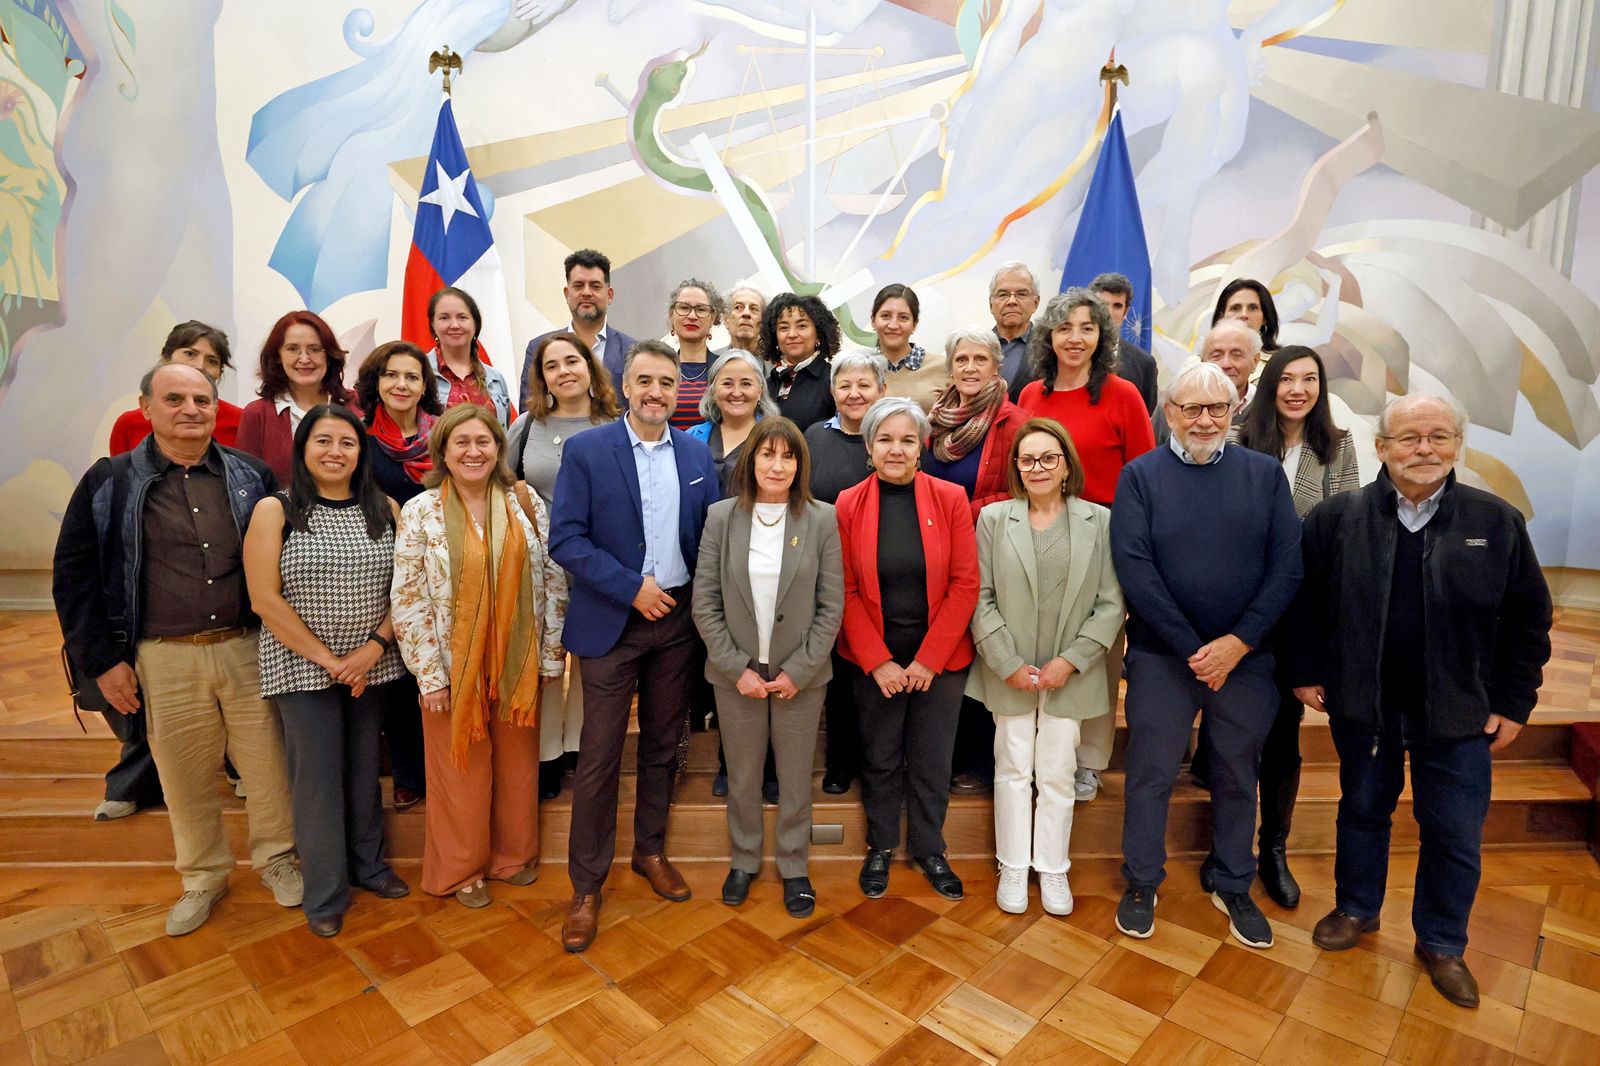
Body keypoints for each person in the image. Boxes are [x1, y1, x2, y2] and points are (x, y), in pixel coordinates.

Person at [1290, 394, 1552, 1009]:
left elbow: (1529, 620)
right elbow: (1304, 606)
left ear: (1457, 445)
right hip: (1365, 706)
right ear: (1382, 448)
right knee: (1361, 812)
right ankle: (1356, 909)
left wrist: (1514, 702)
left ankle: (1442, 942)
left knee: (1454, 832)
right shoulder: (1337, 518)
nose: (1424, 449)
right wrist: (1305, 673)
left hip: (1460, 712)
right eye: (1409, 438)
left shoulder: (1496, 521)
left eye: (1439, 436)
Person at [54, 362, 301, 937]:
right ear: (146, 407)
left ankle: (278, 859)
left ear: (216, 409)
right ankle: (203, 876)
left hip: (246, 648)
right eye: (174, 399)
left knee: (268, 768)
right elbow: (74, 577)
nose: (190, 409)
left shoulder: (251, 476)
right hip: (162, 656)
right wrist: (103, 661)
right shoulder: (110, 481)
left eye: (202, 400)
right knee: (183, 774)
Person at [1109, 362, 1301, 950]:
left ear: (1234, 410)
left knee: (1238, 773)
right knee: (1151, 772)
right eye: (1191, 408)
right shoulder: (1140, 476)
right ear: (1169, 412)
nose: (1204, 420)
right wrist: (1195, 649)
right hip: (1162, 657)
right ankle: (1142, 881)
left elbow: (1287, 566)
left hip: (1246, 659)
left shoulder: (1264, 475)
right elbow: (1135, 569)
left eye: (1216, 408)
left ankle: (1233, 880)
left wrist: (1238, 642)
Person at [548, 340, 720, 952]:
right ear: (625, 387)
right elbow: (566, 540)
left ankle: (650, 851)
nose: (655, 392)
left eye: (667, 383)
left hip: (676, 625)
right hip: (611, 624)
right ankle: (586, 886)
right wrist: (631, 589)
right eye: (645, 381)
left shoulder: (696, 454)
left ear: (679, 391)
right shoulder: (588, 451)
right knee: (599, 755)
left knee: (663, 745)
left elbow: (708, 538)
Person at [1191, 345, 1361, 906]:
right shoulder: (1239, 440)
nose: (1297, 390)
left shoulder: (1338, 445)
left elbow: (1344, 528)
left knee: (1284, 738)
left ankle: (1274, 849)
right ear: (1270, 386)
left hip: (1302, 608)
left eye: (1309, 380)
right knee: (1230, 735)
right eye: (1287, 379)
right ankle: (1224, 846)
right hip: (1242, 607)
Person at [243, 405, 412, 936]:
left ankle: (370, 867)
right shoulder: (276, 509)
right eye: (323, 441)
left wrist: (372, 648)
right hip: (301, 667)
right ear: (303, 448)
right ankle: (325, 892)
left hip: (372, 665)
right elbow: (264, 599)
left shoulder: (385, 508)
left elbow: (407, 589)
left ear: (361, 453)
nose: (335, 452)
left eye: (347, 442)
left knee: (365, 771)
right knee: (317, 780)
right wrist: (331, 661)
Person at [391, 404, 567, 909]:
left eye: (483, 441)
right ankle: (462, 869)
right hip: (450, 668)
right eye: (461, 442)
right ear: (443, 451)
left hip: (517, 663)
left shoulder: (524, 502)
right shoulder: (421, 510)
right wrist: (430, 676)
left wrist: (550, 655)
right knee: (460, 770)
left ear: (498, 448)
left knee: (517, 766)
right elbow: (407, 596)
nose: (473, 451)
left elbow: (553, 578)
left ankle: (512, 856)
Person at [969, 418, 1123, 915]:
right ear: (1016, 467)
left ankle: (1053, 867)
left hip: (1070, 673)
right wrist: (1007, 662)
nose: (1037, 467)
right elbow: (980, 598)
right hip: (1009, 670)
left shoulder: (1099, 521)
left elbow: (1110, 603)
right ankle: (1014, 864)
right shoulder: (994, 520)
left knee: (1058, 770)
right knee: (1012, 766)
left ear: (1066, 466)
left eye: (1048, 458)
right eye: (1027, 459)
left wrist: (1071, 662)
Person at [692, 418, 844, 917]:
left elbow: (831, 607)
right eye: (767, 454)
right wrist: (736, 667)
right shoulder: (721, 518)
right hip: (736, 674)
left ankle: (795, 866)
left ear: (800, 465)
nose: (777, 466)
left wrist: (800, 670)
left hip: (801, 676)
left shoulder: (821, 519)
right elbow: (705, 604)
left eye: (788, 456)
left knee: (797, 777)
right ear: (751, 460)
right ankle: (744, 859)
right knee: (743, 775)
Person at [837, 397, 979, 901]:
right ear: (869, 447)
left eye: (906, 440)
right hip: (873, 660)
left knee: (931, 759)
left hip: (939, 658)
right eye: (884, 439)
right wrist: (878, 662)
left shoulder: (950, 498)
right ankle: (879, 846)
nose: (895, 449)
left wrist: (928, 660)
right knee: (879, 756)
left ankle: (930, 848)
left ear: (922, 447)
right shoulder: (848, 503)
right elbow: (845, 590)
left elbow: (965, 583)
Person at [1017, 289, 1154, 803]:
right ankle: (1038, 749)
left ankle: (1089, 758)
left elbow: (1143, 479)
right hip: (1038, 532)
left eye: (1087, 328)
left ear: (1102, 336)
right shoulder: (1031, 397)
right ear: (1048, 337)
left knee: (1096, 649)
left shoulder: (1123, 395)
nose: (1075, 338)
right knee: (1041, 641)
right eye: (1064, 328)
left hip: (1104, 538)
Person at [507, 332, 621, 800]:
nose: (563, 372)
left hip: (599, 563)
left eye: (571, 361)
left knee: (593, 661)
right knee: (547, 663)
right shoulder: (526, 427)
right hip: (541, 566)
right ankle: (547, 754)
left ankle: (578, 747)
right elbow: (502, 483)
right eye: (551, 366)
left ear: (590, 367)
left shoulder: (615, 424)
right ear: (542, 378)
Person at [923, 327, 1031, 796]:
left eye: (980, 359)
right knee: (945, 651)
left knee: (983, 650)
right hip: (936, 552)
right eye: (961, 359)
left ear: (996, 366)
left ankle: (980, 761)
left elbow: (1023, 489)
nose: (969, 368)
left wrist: (960, 512)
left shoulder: (1015, 421)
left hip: (989, 550)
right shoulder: (935, 420)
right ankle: (941, 757)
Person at [352, 341, 443, 812]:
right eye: (391, 375)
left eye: (411, 376)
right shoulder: (361, 439)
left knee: (439, 668)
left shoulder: (443, 436)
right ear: (377, 382)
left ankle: (446, 771)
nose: (401, 384)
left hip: (442, 567)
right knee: (400, 675)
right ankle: (409, 774)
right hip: (383, 567)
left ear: (425, 385)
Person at [804, 350, 888, 794]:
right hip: (825, 572)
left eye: (864, 385)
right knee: (837, 671)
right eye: (845, 385)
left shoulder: (894, 436)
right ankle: (840, 761)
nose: (854, 394)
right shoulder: (814, 437)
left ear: (882, 390)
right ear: (832, 391)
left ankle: (880, 764)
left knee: (876, 670)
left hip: (884, 573)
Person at [237, 311, 355, 484]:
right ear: (278, 356)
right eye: (293, 349)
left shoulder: (357, 405)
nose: (304, 359)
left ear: (329, 356)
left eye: (315, 349)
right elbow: (247, 483)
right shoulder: (257, 413)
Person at [519, 249, 637, 410]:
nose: (586, 293)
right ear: (567, 294)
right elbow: (529, 408)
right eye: (578, 286)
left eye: (595, 286)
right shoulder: (538, 347)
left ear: (609, 295)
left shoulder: (632, 350)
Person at [110, 321, 244, 455]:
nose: (200, 366)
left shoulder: (240, 422)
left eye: (212, 361)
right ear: (166, 358)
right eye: (190, 354)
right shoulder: (129, 424)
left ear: (219, 372)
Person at [686, 348, 779, 495]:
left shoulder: (776, 440)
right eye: (727, 384)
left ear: (760, 392)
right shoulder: (691, 438)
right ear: (713, 391)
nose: (736, 393)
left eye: (746, 384)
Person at [425, 286, 513, 426]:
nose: (454, 325)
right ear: (433, 325)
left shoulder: (495, 379)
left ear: (475, 324)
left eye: (462, 317)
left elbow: (503, 433)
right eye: (444, 318)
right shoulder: (420, 373)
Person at [762, 292, 839, 429]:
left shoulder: (833, 380)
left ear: (818, 334)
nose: (792, 334)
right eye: (784, 328)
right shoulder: (767, 384)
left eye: (802, 326)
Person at [1089, 272, 1158, 414]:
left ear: (1126, 312)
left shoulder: (1144, 363)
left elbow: (1146, 417)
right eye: (1103, 304)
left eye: (1117, 306)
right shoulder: (1072, 352)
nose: (1109, 312)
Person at [666, 278, 725, 431]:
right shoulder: (660, 369)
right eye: (684, 308)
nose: (692, 316)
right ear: (672, 315)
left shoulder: (725, 369)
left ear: (712, 317)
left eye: (701, 309)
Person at [987, 262, 1041, 395]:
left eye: (1021, 294)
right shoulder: (975, 348)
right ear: (991, 304)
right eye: (1003, 294)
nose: (1011, 301)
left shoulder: (1051, 348)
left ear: (1035, 303)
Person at [1199, 319, 1263, 419]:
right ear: (1202, 362)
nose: (1226, 364)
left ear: (1255, 361)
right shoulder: (1182, 406)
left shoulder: (1272, 405)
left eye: (1236, 355)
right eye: (1216, 356)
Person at [1212, 277, 1281, 353]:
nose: (1244, 314)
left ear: (1265, 318)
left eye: (1253, 308)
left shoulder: (1282, 359)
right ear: (1222, 317)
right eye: (1235, 308)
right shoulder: (1206, 359)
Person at [723, 284, 766, 360]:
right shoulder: (710, 362)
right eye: (738, 307)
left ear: (763, 322)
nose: (746, 313)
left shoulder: (778, 364)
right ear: (726, 319)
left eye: (754, 309)